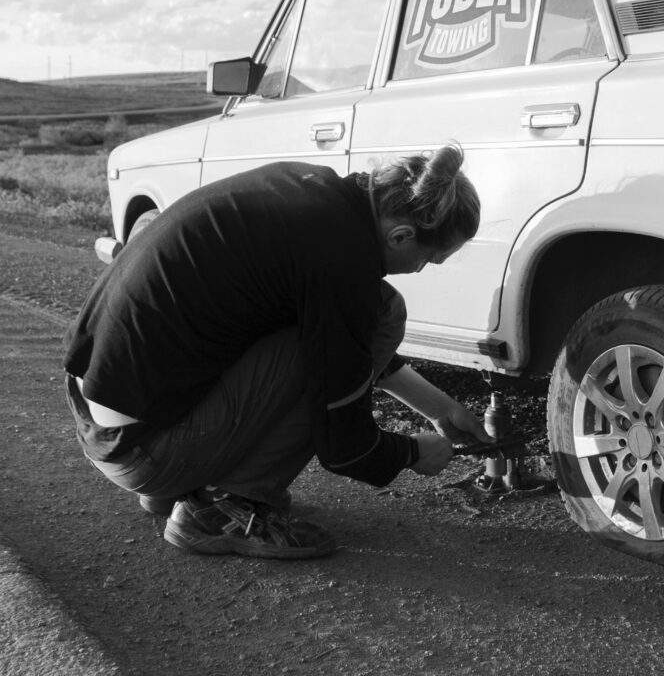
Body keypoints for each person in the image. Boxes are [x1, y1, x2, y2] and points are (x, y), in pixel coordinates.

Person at [63, 143, 488, 559]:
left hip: (105, 418)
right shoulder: (342, 259)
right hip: (144, 453)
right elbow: (344, 445)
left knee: (347, 326)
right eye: (428, 260)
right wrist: (412, 452)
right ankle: (224, 508)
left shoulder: (313, 194)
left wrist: (438, 407)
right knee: (385, 311)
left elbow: (342, 343)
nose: (418, 270)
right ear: (401, 235)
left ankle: (186, 483)